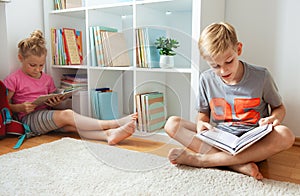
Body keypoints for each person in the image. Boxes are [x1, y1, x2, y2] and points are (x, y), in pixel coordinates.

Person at [164, 22, 295, 179]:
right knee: (172, 124)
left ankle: (203, 160)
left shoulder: (261, 76)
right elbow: (203, 113)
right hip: (220, 141)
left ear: (238, 49)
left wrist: (274, 118)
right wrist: (201, 123)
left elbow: (279, 107)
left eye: (229, 61)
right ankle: (237, 164)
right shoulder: (206, 79)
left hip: (253, 144)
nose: (223, 70)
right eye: (215, 66)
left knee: (286, 135)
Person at [4, 30, 137, 145]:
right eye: (32, 65)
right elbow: (4, 105)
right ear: (20, 58)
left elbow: (53, 106)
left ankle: (107, 135)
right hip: (28, 119)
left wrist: (56, 102)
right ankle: (113, 123)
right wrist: (20, 107)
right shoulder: (14, 79)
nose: (37, 69)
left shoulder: (47, 79)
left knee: (70, 126)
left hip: (45, 116)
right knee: (68, 114)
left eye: (41, 65)